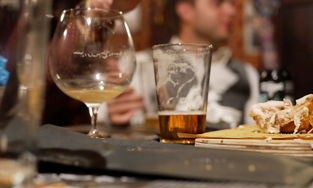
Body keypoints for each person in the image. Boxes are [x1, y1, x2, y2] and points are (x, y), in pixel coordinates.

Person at [102, 0, 260, 129]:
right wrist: (112, 116)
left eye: (231, 4)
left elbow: (256, 134)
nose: (231, 11)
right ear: (185, 10)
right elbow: (108, 120)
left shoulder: (247, 73)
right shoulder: (140, 64)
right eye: (218, 3)